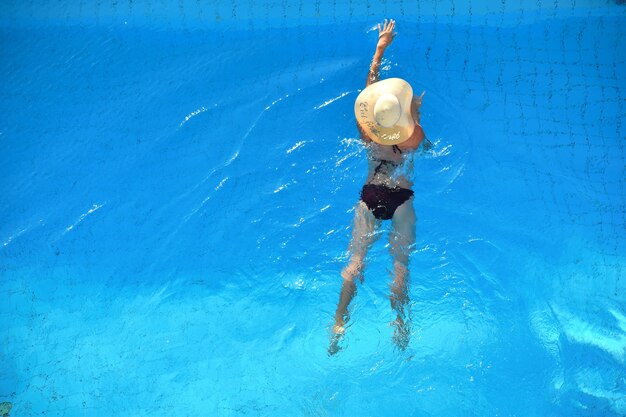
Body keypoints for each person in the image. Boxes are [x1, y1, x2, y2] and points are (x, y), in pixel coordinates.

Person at [329, 19, 429, 354]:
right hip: (401, 198)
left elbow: (367, 91)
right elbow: (424, 142)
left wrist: (379, 50)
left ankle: (340, 321)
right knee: (400, 265)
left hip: (370, 195)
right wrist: (414, 110)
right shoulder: (413, 138)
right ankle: (400, 323)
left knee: (355, 261)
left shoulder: (366, 132)